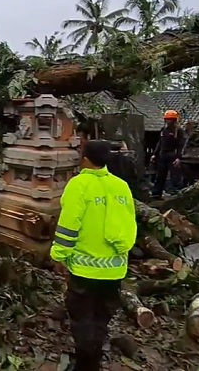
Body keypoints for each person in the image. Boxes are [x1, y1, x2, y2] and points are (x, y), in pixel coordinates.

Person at [51, 140, 137, 371]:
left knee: (83, 320)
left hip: (85, 269)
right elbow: (129, 222)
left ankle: (86, 366)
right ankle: (94, 358)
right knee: (102, 317)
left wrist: (59, 255)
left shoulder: (79, 184)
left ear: (86, 159)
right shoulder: (121, 186)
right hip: (115, 269)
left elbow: (69, 225)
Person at [150, 110, 187, 199]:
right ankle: (156, 194)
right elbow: (160, 143)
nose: (168, 121)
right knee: (160, 176)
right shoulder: (163, 130)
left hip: (172, 156)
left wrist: (179, 158)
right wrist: (154, 154)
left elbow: (181, 145)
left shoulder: (179, 131)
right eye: (167, 119)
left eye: (171, 119)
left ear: (174, 120)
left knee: (175, 176)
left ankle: (177, 195)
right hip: (162, 155)